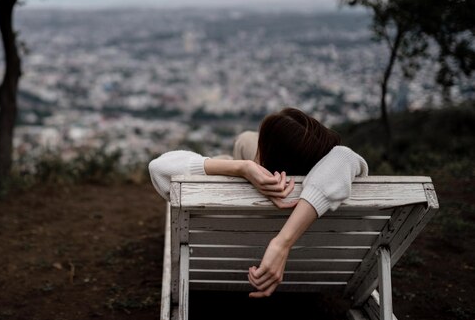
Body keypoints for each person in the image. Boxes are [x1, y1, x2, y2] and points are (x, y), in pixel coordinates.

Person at [148, 108, 368, 298]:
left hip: (218, 261)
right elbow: (343, 156)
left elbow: (158, 167)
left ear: (265, 158)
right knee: (246, 139)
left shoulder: (222, 192)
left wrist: (240, 168)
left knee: (238, 146)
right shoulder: (329, 184)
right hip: (316, 265)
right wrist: (282, 242)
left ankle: (235, 160)